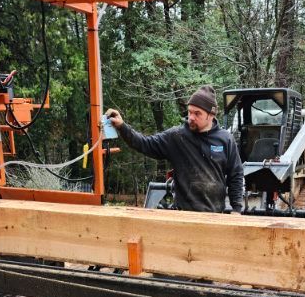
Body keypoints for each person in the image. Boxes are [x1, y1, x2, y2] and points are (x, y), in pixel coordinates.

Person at [105, 84, 245, 214]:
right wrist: (122, 127)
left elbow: (236, 174)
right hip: (183, 215)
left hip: (215, 216)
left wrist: (236, 209)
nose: (191, 117)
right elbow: (144, 143)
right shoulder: (177, 137)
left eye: (197, 114)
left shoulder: (226, 139)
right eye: (190, 112)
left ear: (211, 115)